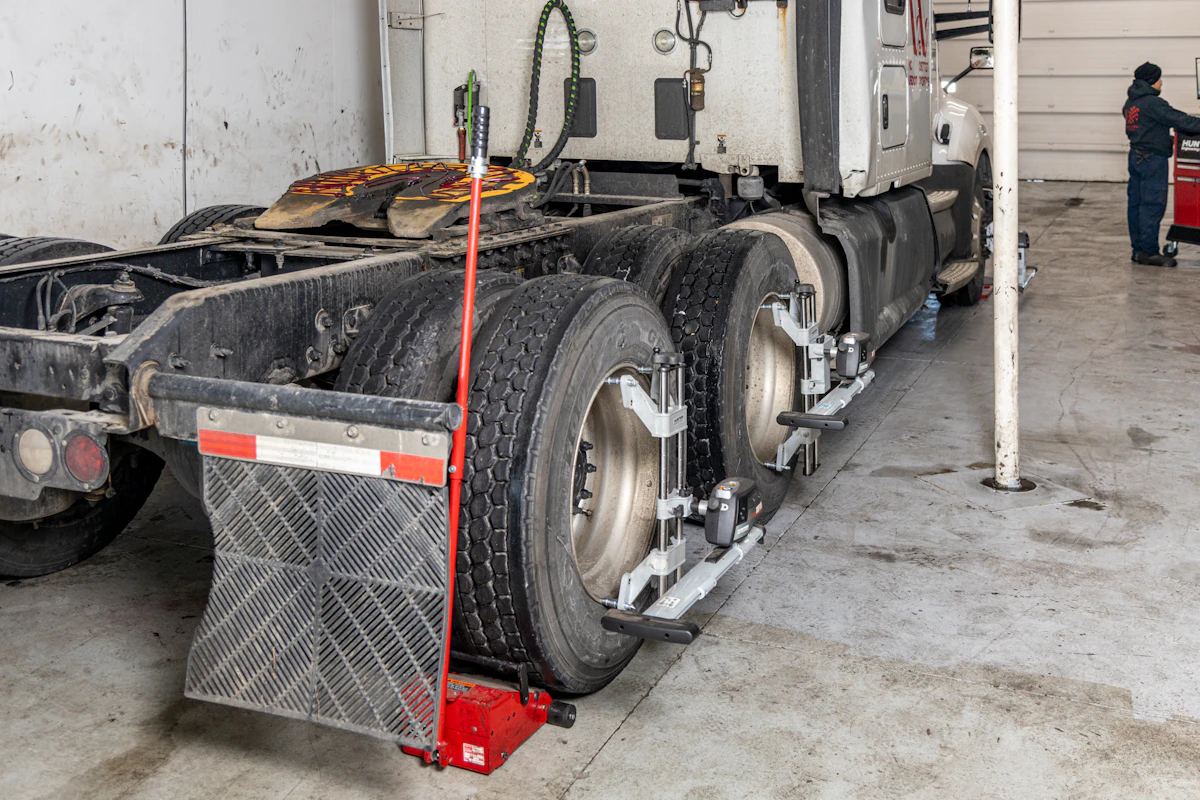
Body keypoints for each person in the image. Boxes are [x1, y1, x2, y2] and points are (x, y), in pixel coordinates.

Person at [1124, 62, 1200, 267]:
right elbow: (1182, 121)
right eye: (1159, 78)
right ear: (1151, 81)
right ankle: (1149, 253)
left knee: (1136, 205)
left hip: (1136, 158)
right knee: (1152, 206)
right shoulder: (1153, 103)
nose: (1161, 82)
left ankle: (1138, 250)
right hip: (1152, 161)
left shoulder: (1131, 102)